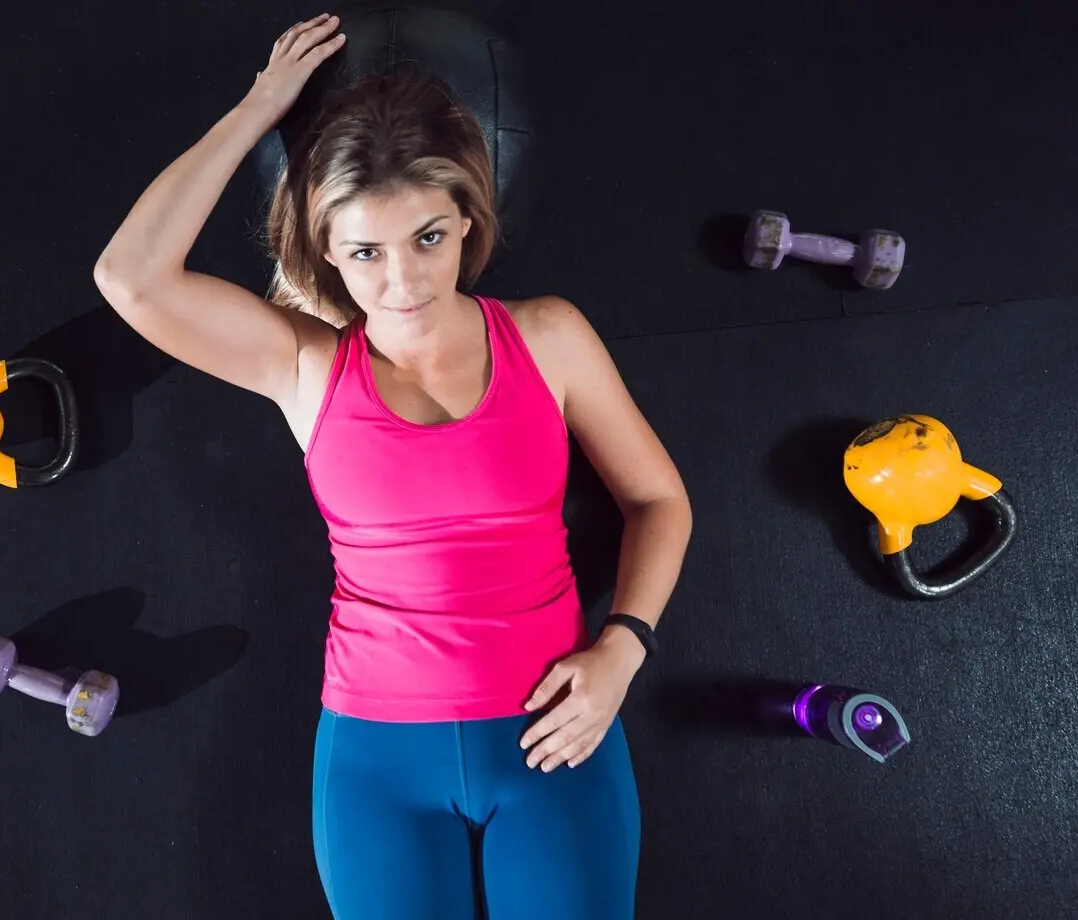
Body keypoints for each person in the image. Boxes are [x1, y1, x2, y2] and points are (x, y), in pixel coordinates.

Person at [93, 12, 693, 919]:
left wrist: (625, 647)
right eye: (366, 252)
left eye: (427, 239)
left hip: (557, 741)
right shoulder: (303, 366)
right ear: (327, 250)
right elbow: (131, 278)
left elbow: (658, 500)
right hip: (378, 764)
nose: (403, 281)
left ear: (465, 222)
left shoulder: (549, 337)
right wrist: (262, 107)